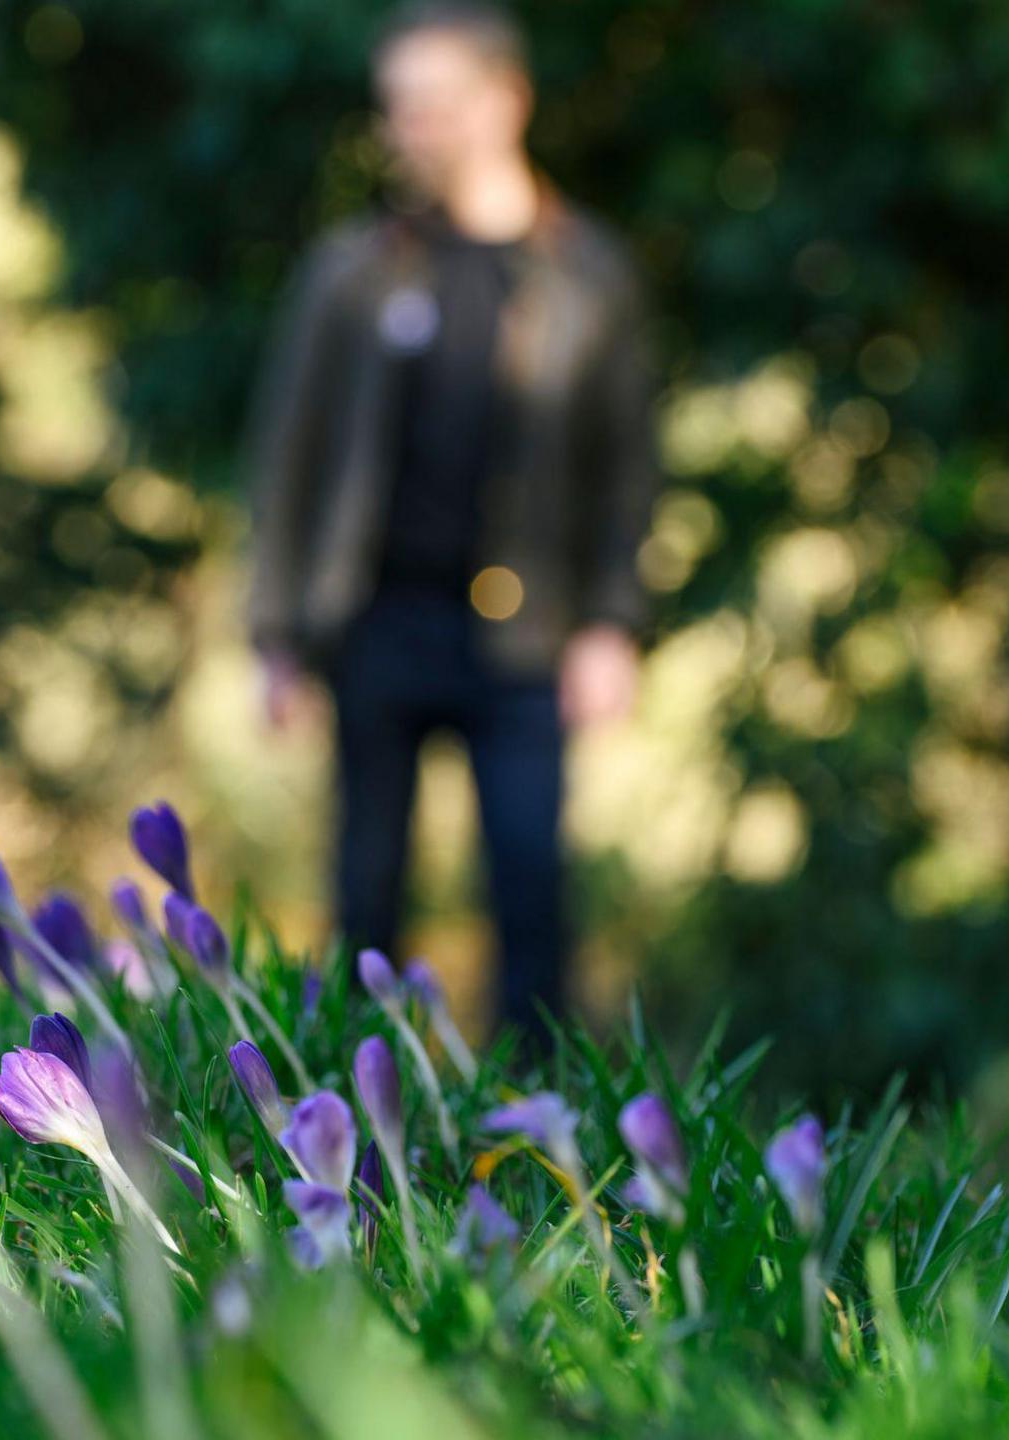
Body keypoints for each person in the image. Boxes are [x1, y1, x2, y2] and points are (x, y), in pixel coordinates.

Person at [242, 0, 661, 1037]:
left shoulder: (588, 278)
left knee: (531, 900)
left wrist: (611, 623)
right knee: (366, 901)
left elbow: (628, 469)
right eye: (396, 110)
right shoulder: (354, 272)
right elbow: (287, 456)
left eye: (429, 106)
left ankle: (544, 1150)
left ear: (503, 102)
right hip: (379, 622)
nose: (408, 132)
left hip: (525, 638)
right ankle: (352, 1136)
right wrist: (278, 636)